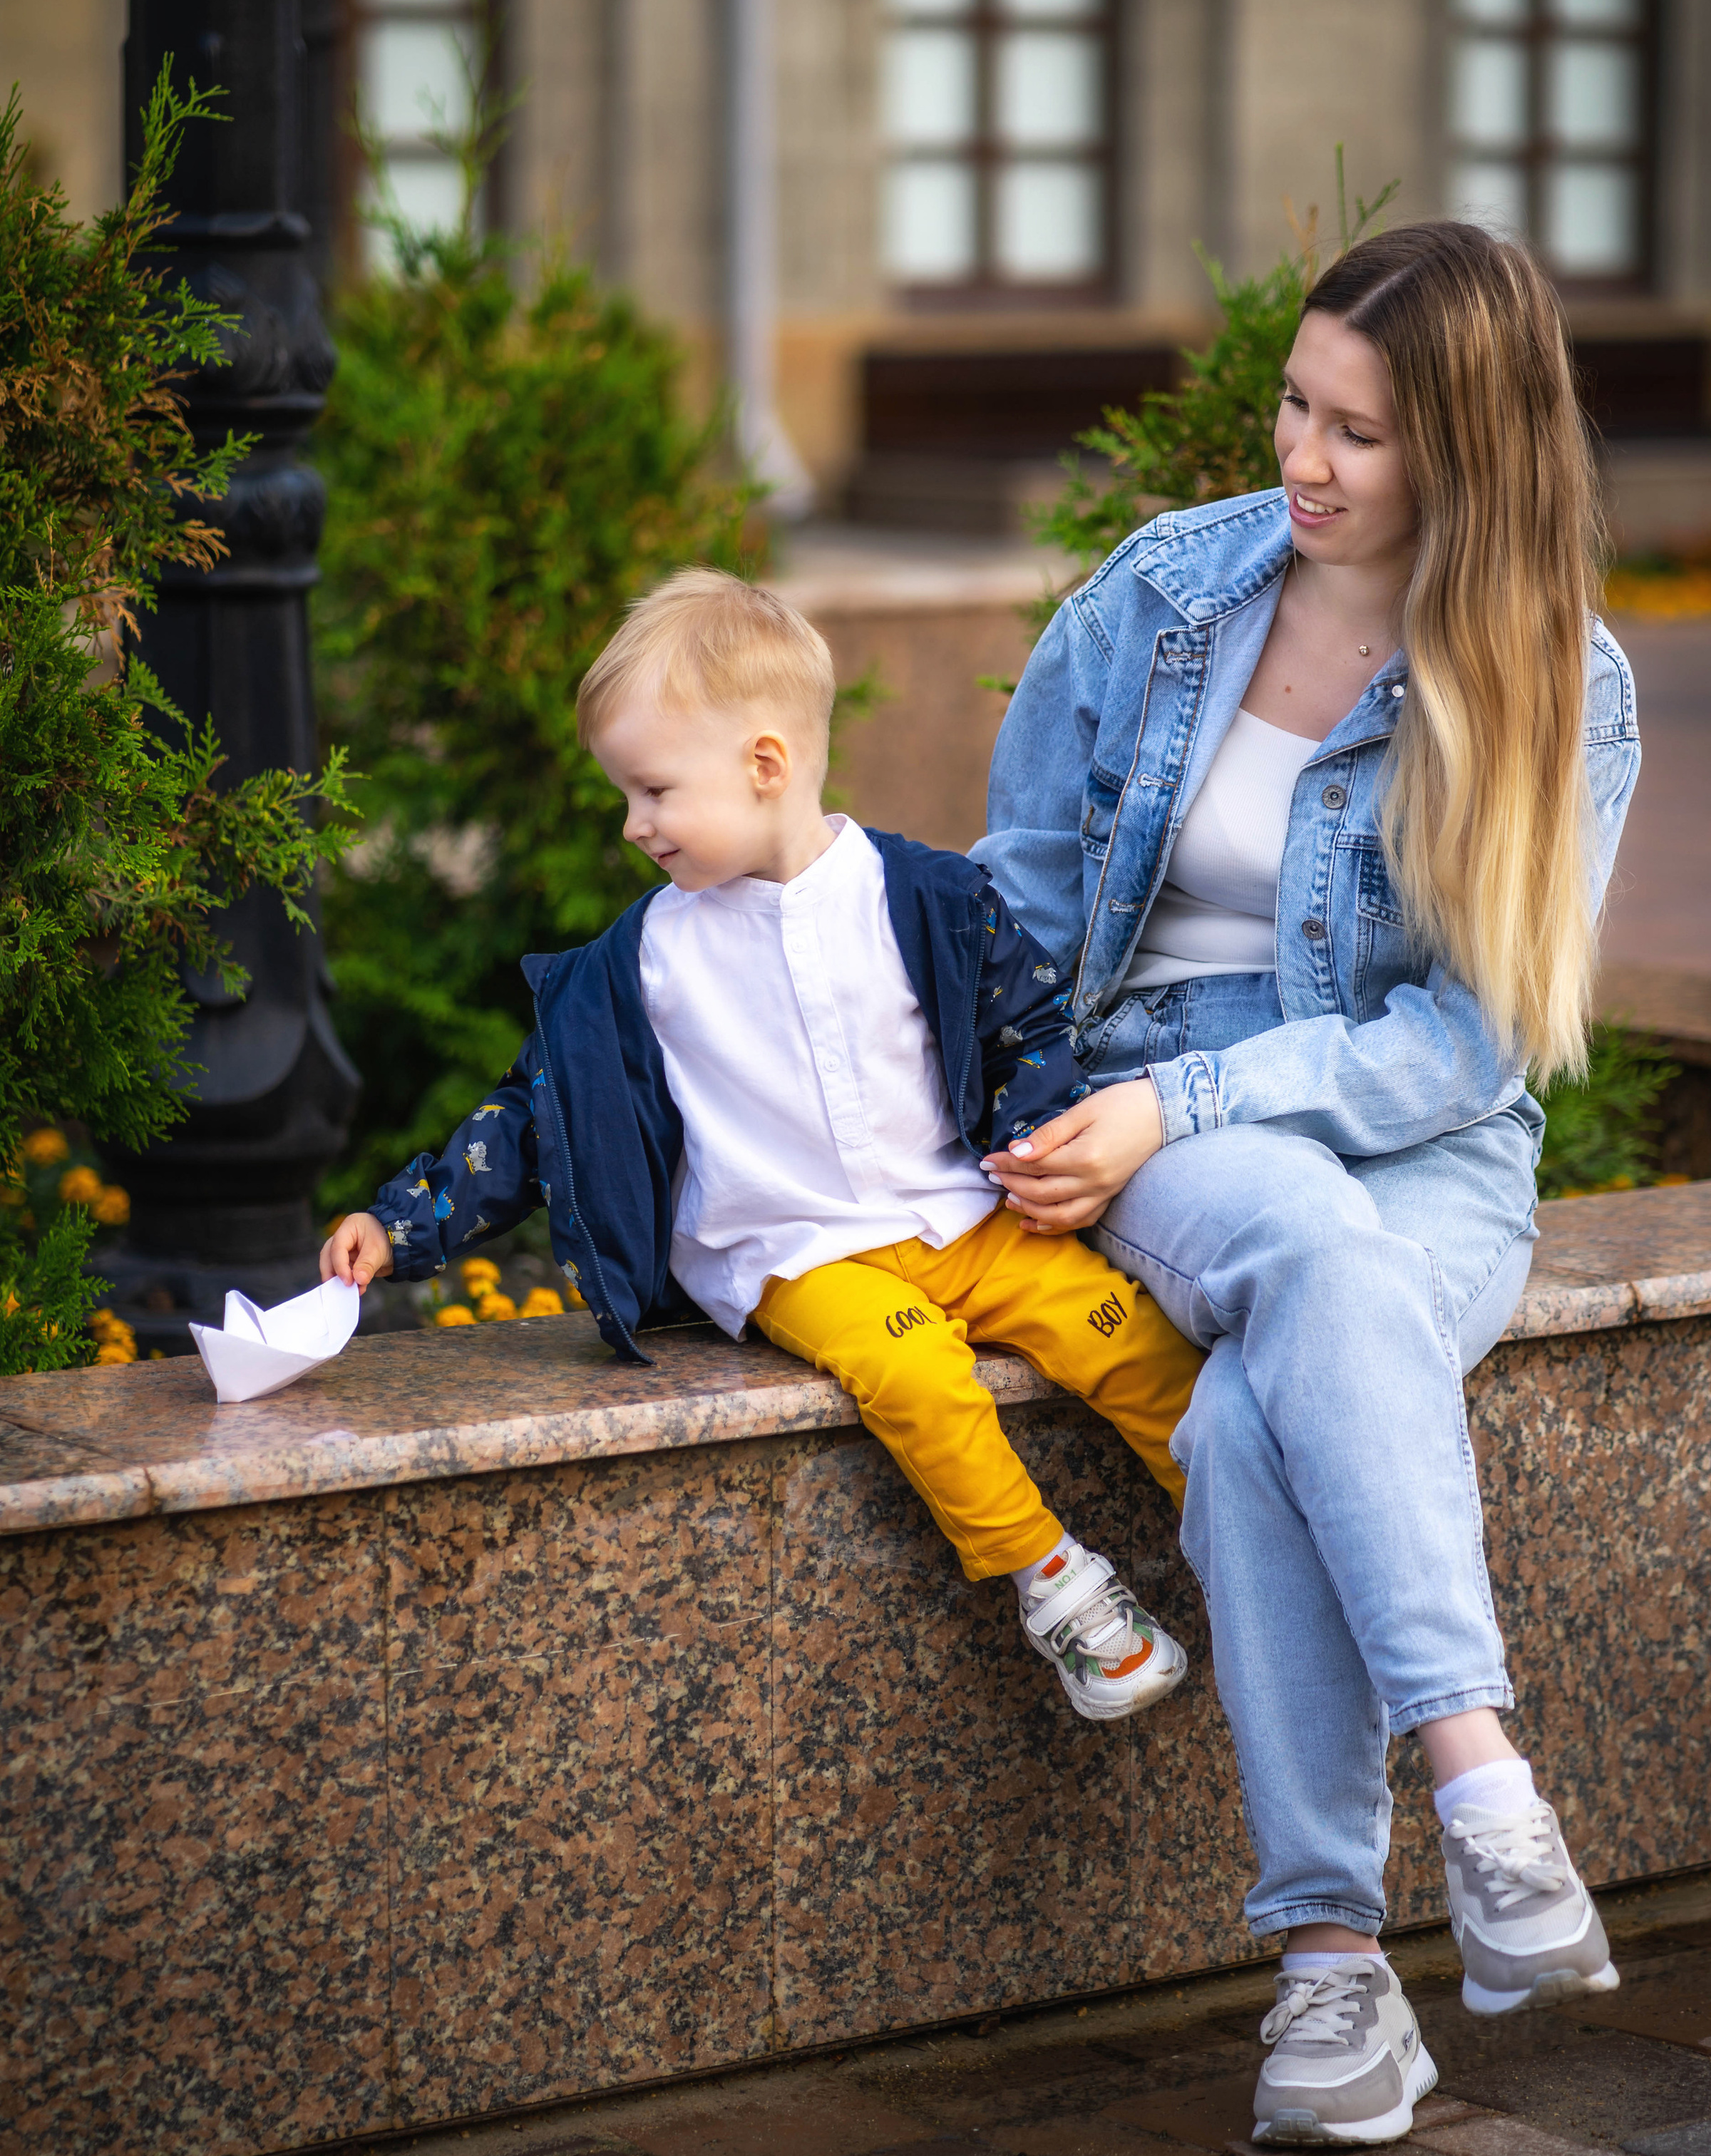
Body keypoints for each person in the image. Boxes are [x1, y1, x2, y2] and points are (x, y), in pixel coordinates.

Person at [972, 220, 1641, 2146]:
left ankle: (1334, 1987)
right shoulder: (1166, 594)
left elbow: (1462, 1045)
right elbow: (1018, 910)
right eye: (1294, 403)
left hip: (1417, 1137)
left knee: (1267, 1413)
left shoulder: (1553, 680)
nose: (1302, 459)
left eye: (1360, 432)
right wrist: (1114, 1109)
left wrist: (1207, 1104)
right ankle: (1484, 1780)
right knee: (1299, 1255)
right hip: (1135, 1097)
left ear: (1472, 453)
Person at [322, 568, 1206, 1720]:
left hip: (967, 1221)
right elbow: (538, 1116)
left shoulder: (931, 897)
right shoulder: (644, 964)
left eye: (651, 792)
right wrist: (401, 1224)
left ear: (766, 765)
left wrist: (1045, 1138)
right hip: (802, 1258)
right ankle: (1060, 1589)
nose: (632, 825)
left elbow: (1022, 1025)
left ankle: (1250, 1543)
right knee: (915, 1378)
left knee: (1127, 1339)